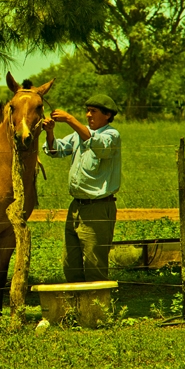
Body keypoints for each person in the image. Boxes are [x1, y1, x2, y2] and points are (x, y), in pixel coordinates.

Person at [42, 95, 121, 282]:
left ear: (107, 115)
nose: (88, 115)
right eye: (87, 111)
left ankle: (96, 308)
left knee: (95, 264)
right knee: (71, 264)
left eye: (93, 111)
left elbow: (99, 146)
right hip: (76, 207)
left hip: (98, 208)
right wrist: (50, 133)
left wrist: (70, 119)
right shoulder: (78, 135)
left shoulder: (112, 135)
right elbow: (56, 150)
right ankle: (76, 308)